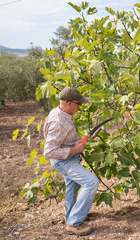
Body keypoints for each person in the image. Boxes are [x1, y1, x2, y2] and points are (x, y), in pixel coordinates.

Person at [43, 87, 99, 236]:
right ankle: (74, 223)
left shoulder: (61, 112)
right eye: (78, 104)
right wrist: (73, 150)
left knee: (71, 188)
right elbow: (48, 152)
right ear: (68, 103)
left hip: (69, 157)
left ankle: (71, 217)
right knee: (91, 182)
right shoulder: (58, 122)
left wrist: (73, 146)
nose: (79, 107)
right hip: (64, 161)